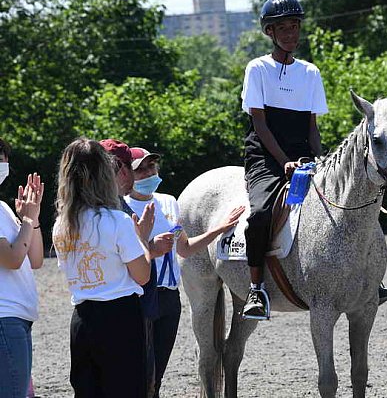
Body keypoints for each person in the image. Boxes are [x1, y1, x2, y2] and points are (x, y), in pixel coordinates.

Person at [241, 0, 387, 319]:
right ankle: (256, 290)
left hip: (303, 156)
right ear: (270, 32)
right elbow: (259, 122)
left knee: (352, 201)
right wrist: (283, 160)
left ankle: (370, 283)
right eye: (283, 28)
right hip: (266, 157)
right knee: (259, 216)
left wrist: (318, 159)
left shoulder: (310, 72)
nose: (290, 34)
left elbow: (312, 126)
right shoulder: (257, 69)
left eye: (294, 26)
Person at [125, 146, 244, 398]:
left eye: (151, 166)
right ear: (127, 175)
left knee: (156, 375)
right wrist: (150, 247)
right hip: (138, 293)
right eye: (141, 169)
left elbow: (185, 248)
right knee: (140, 372)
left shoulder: (169, 202)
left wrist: (221, 228)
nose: (149, 173)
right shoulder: (123, 208)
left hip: (168, 296)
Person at [52, 138, 154, 397]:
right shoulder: (118, 221)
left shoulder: (61, 225)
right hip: (120, 319)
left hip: (82, 319)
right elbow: (142, 276)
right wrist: (142, 239)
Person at [99, 138, 172, 398]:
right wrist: (148, 245)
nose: (138, 174)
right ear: (119, 170)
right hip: (128, 311)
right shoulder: (118, 213)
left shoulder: (97, 210)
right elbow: (138, 272)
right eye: (133, 167)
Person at [0, 138, 44, 398]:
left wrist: (33, 217)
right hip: (5, 319)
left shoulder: (4, 208)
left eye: (3, 158)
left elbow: (35, 259)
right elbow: (13, 258)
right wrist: (27, 219)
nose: (3, 163)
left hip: (19, 319)